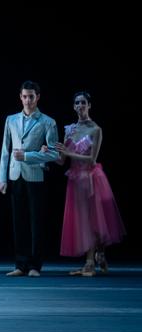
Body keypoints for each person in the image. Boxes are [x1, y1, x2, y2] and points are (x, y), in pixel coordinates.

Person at [52, 91, 126, 276]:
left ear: (89, 105)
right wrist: (50, 152)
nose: (80, 106)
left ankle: (90, 262)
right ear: (73, 106)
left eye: (83, 102)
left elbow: (92, 160)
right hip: (75, 180)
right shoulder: (70, 129)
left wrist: (68, 154)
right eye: (77, 103)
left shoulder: (96, 129)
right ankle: (99, 254)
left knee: (92, 220)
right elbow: (61, 161)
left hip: (91, 178)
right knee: (83, 220)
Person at [0, 80, 59, 277]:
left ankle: (34, 265)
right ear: (20, 97)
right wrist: (2, 178)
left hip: (35, 175)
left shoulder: (48, 122)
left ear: (37, 97)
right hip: (15, 175)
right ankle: (20, 264)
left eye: (31, 97)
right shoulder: (11, 119)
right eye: (24, 96)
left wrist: (28, 156)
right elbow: (5, 151)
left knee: (36, 222)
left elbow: (54, 154)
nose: (27, 100)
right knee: (19, 222)